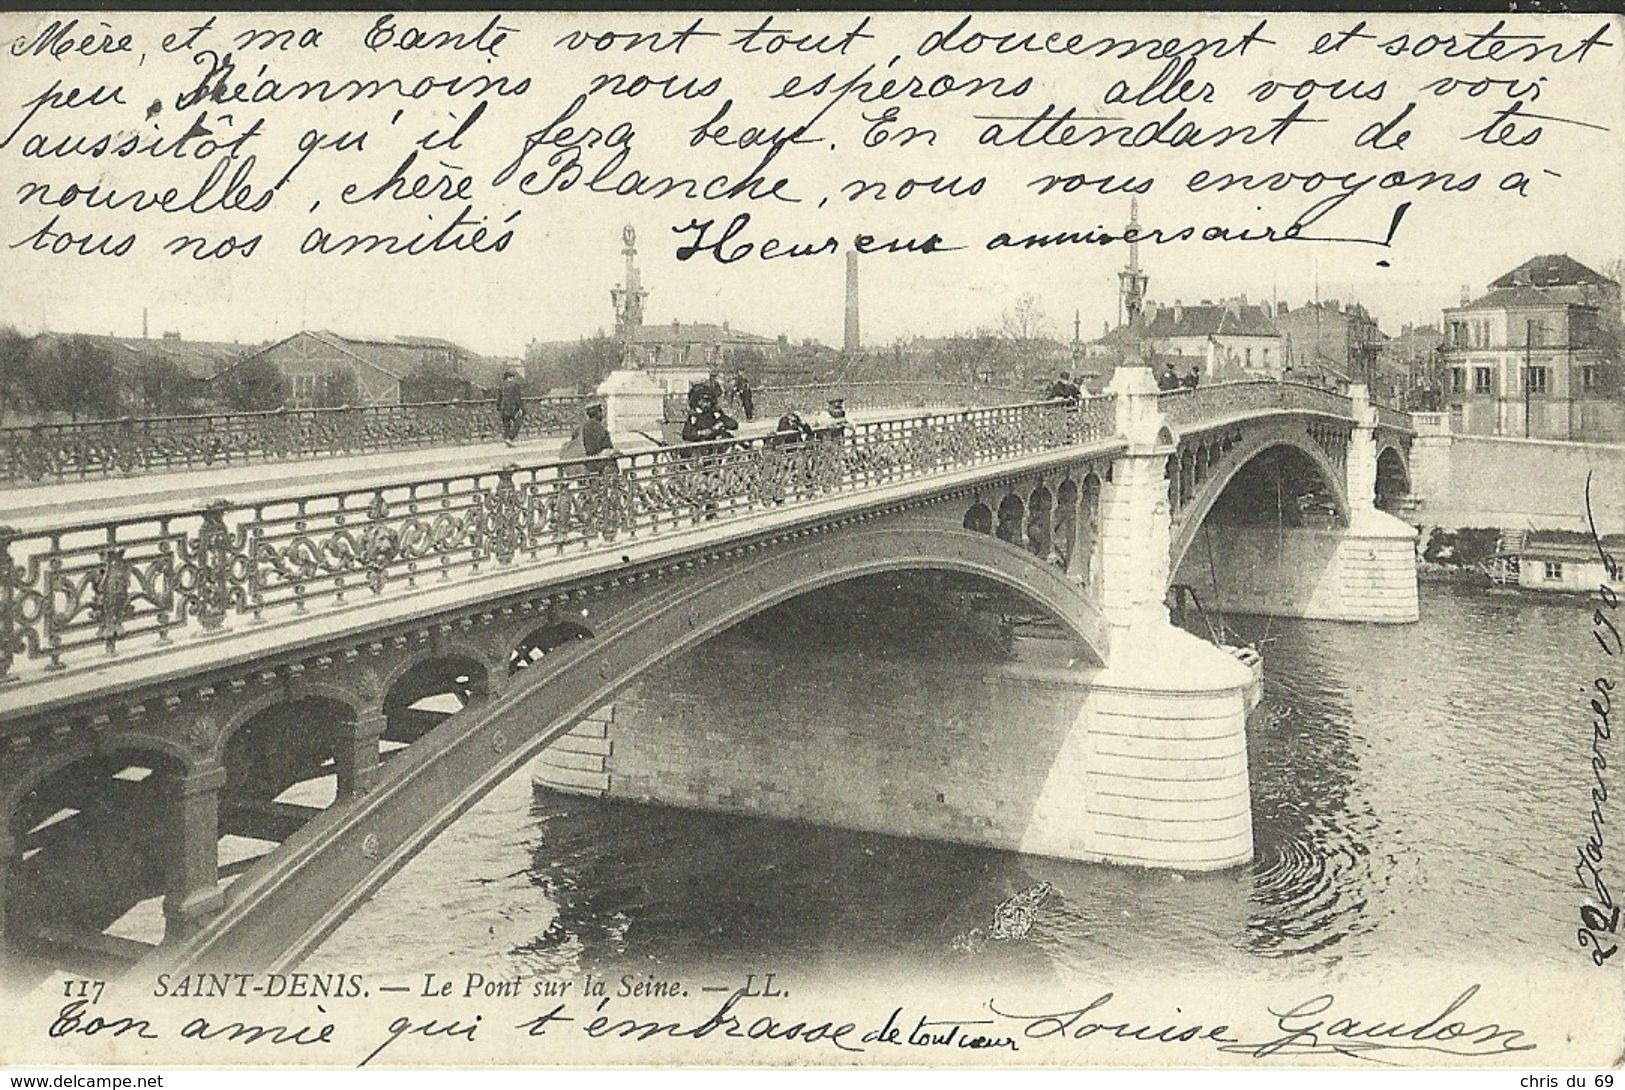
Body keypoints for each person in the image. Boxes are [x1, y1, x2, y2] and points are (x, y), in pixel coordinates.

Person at [496, 370, 525, 445]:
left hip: (503, 408)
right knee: (518, 423)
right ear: (511, 378)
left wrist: (498, 407)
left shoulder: (501, 386)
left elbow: (499, 398)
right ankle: (510, 437)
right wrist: (520, 408)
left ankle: (506, 438)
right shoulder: (515, 385)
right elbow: (517, 398)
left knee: (506, 424)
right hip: (512, 407)